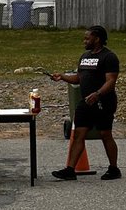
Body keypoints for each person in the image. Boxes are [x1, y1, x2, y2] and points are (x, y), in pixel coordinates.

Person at [51, 25, 121, 180]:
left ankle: (114, 168)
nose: (84, 41)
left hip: (103, 102)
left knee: (105, 134)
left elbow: (111, 81)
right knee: (78, 135)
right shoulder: (85, 57)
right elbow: (78, 78)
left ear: (97, 39)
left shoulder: (109, 57)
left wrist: (97, 94)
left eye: (87, 38)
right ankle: (70, 170)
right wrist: (62, 77)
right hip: (85, 102)